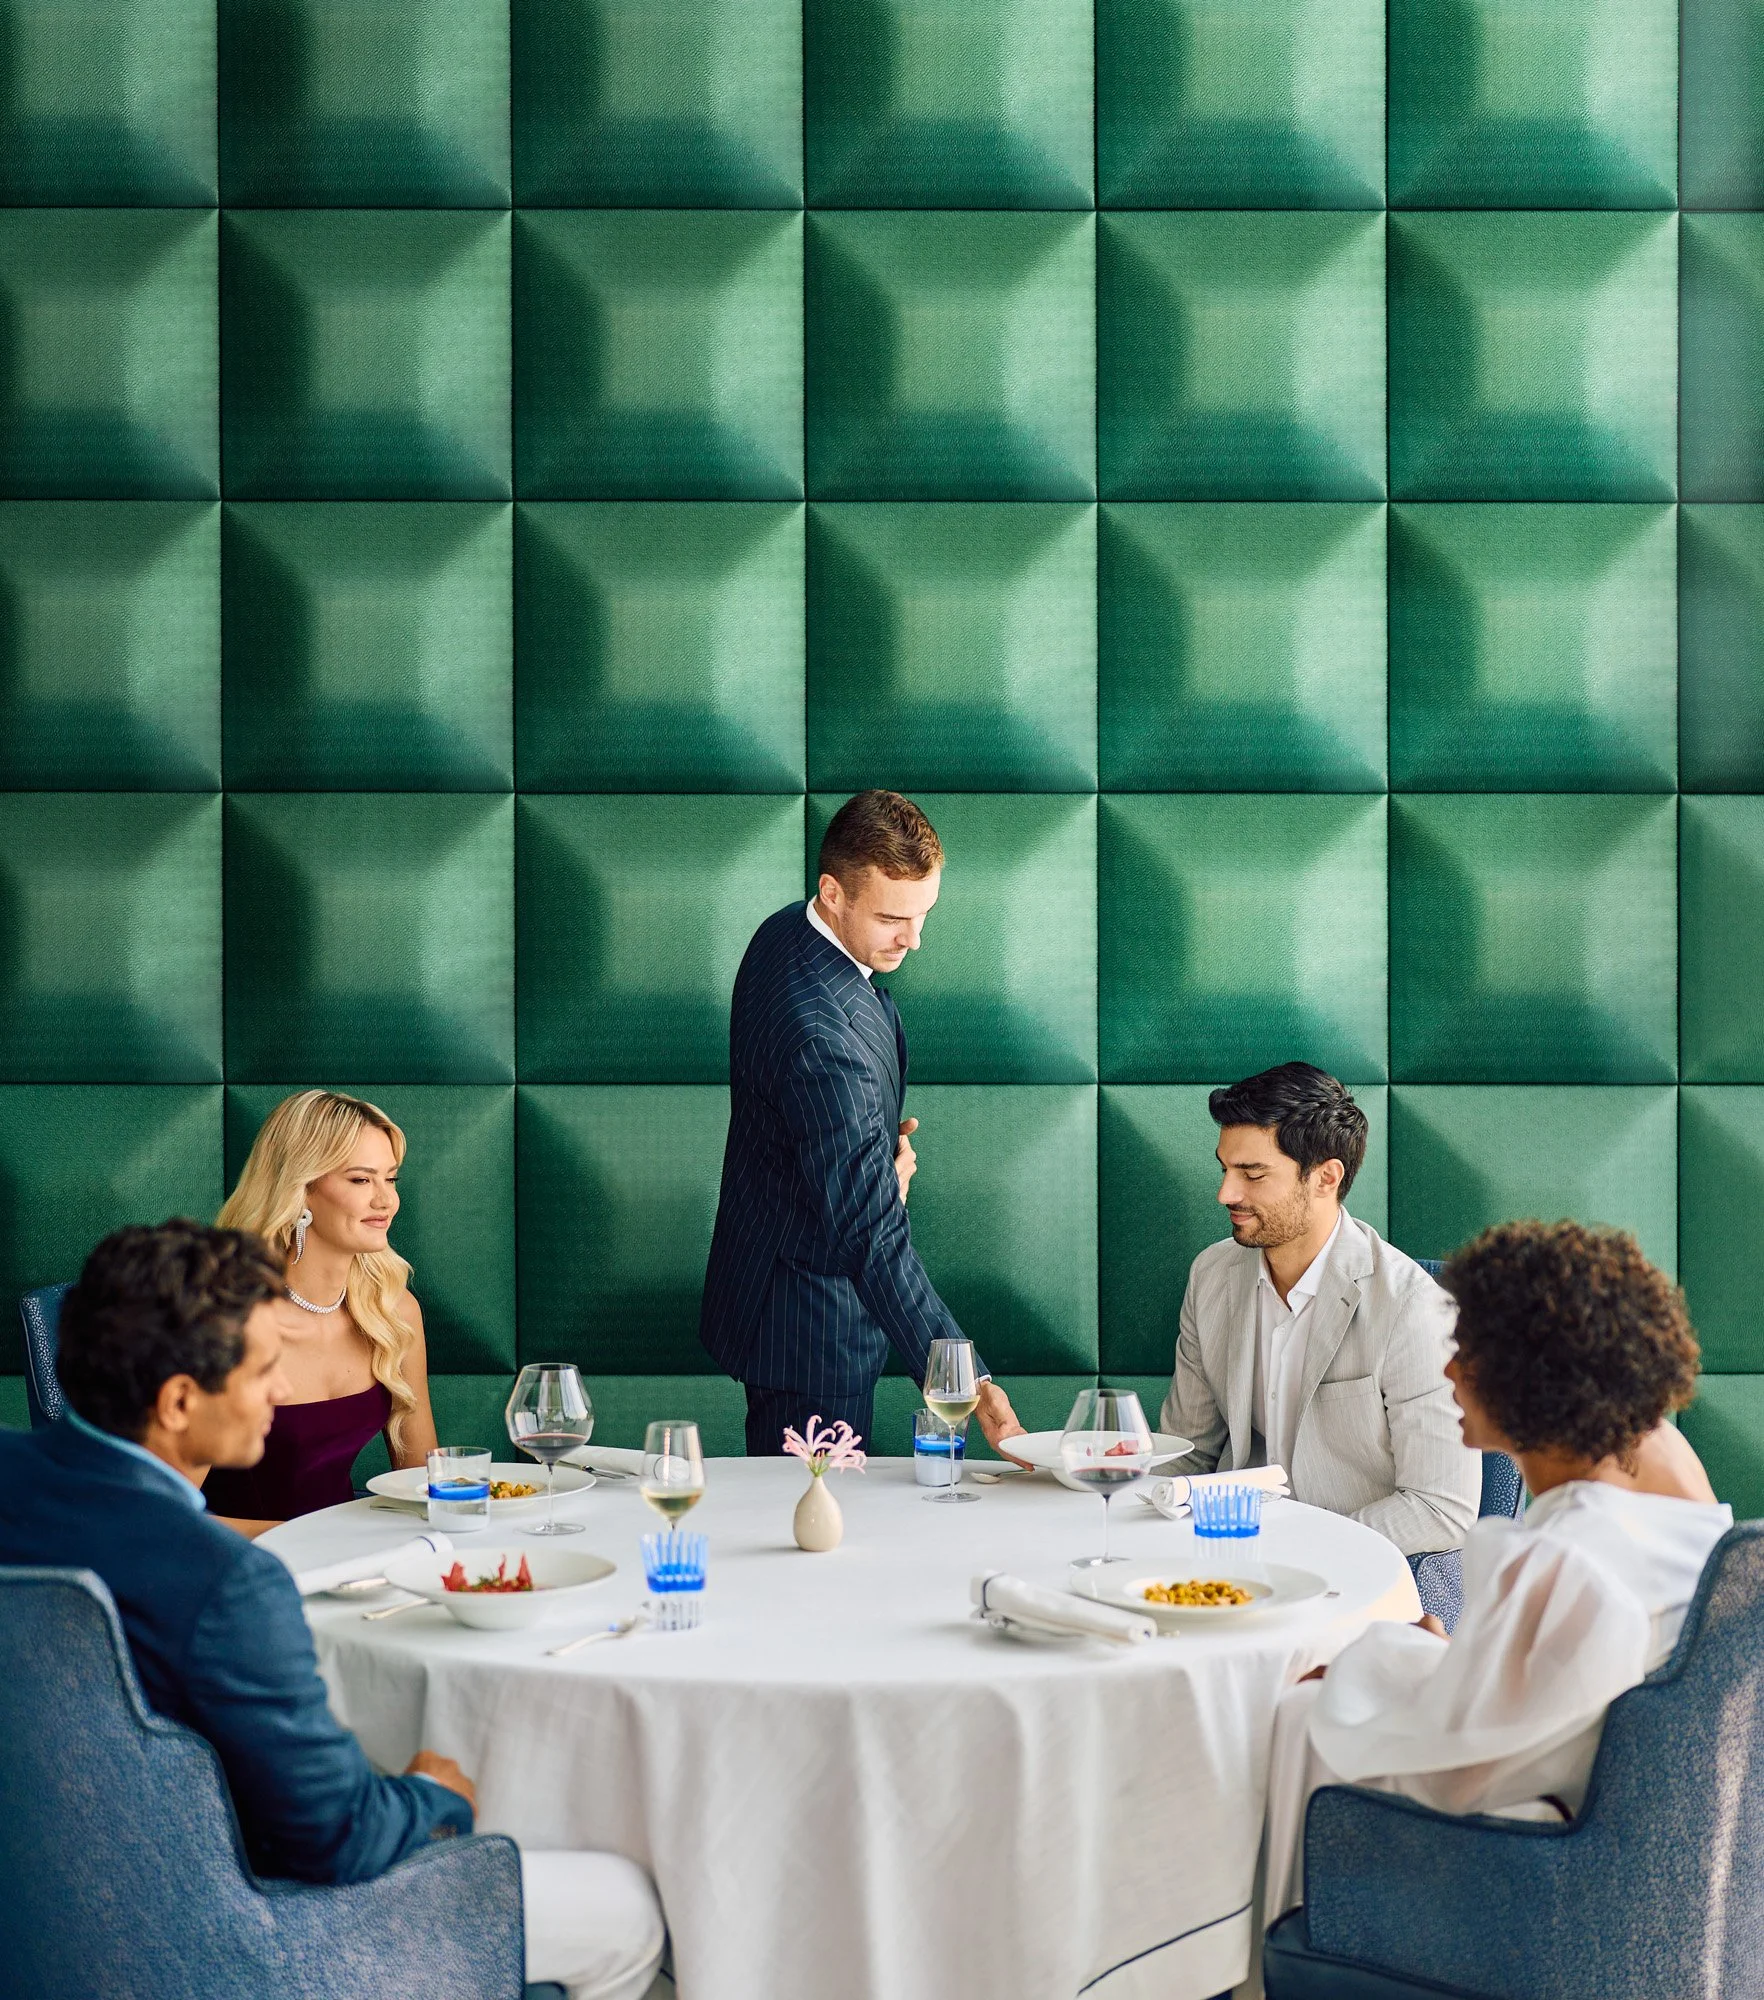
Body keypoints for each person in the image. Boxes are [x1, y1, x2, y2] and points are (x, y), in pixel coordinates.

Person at [0, 1221, 664, 2000]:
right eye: (261, 1370)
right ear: (180, 1401)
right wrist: (435, 1792)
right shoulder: (228, 1584)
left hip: (37, 1918)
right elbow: (339, 1841)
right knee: (626, 1911)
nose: (280, 1393)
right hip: (232, 1944)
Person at [1262, 1220, 1732, 1923]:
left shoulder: (1565, 1561)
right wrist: (1446, 1661)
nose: (1445, 1372)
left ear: (1525, 1373)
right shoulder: (1679, 1509)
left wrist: (1384, 1660)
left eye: (1464, 1352)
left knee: (1295, 1709)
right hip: (1654, 1871)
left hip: (1536, 1882)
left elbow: (1458, 1776)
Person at [701, 789, 1025, 1457]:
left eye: (923, 913)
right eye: (891, 919)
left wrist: (865, 1161)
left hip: (774, 1281)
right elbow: (870, 1233)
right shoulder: (825, 1040)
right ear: (832, 893)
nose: (913, 939)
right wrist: (967, 1379)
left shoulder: (786, 929)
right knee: (811, 1540)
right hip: (812, 1327)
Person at [1161, 1063, 1479, 1556]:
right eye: (1225, 1168)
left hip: (1356, 1570)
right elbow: (1185, 1457)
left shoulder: (1411, 1307)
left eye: (1253, 1173)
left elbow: (1442, 1505)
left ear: (1326, 1178)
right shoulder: (1211, 1275)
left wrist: (1300, 1551)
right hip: (1226, 1559)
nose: (1226, 1193)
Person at [209, 1089, 438, 1530]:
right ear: (301, 1189)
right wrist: (317, 1544)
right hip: (239, 1569)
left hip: (350, 1565)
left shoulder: (393, 1311)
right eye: (360, 1180)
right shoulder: (226, 1322)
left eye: (390, 1179)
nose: (385, 1200)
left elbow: (422, 1484)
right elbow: (162, 1519)